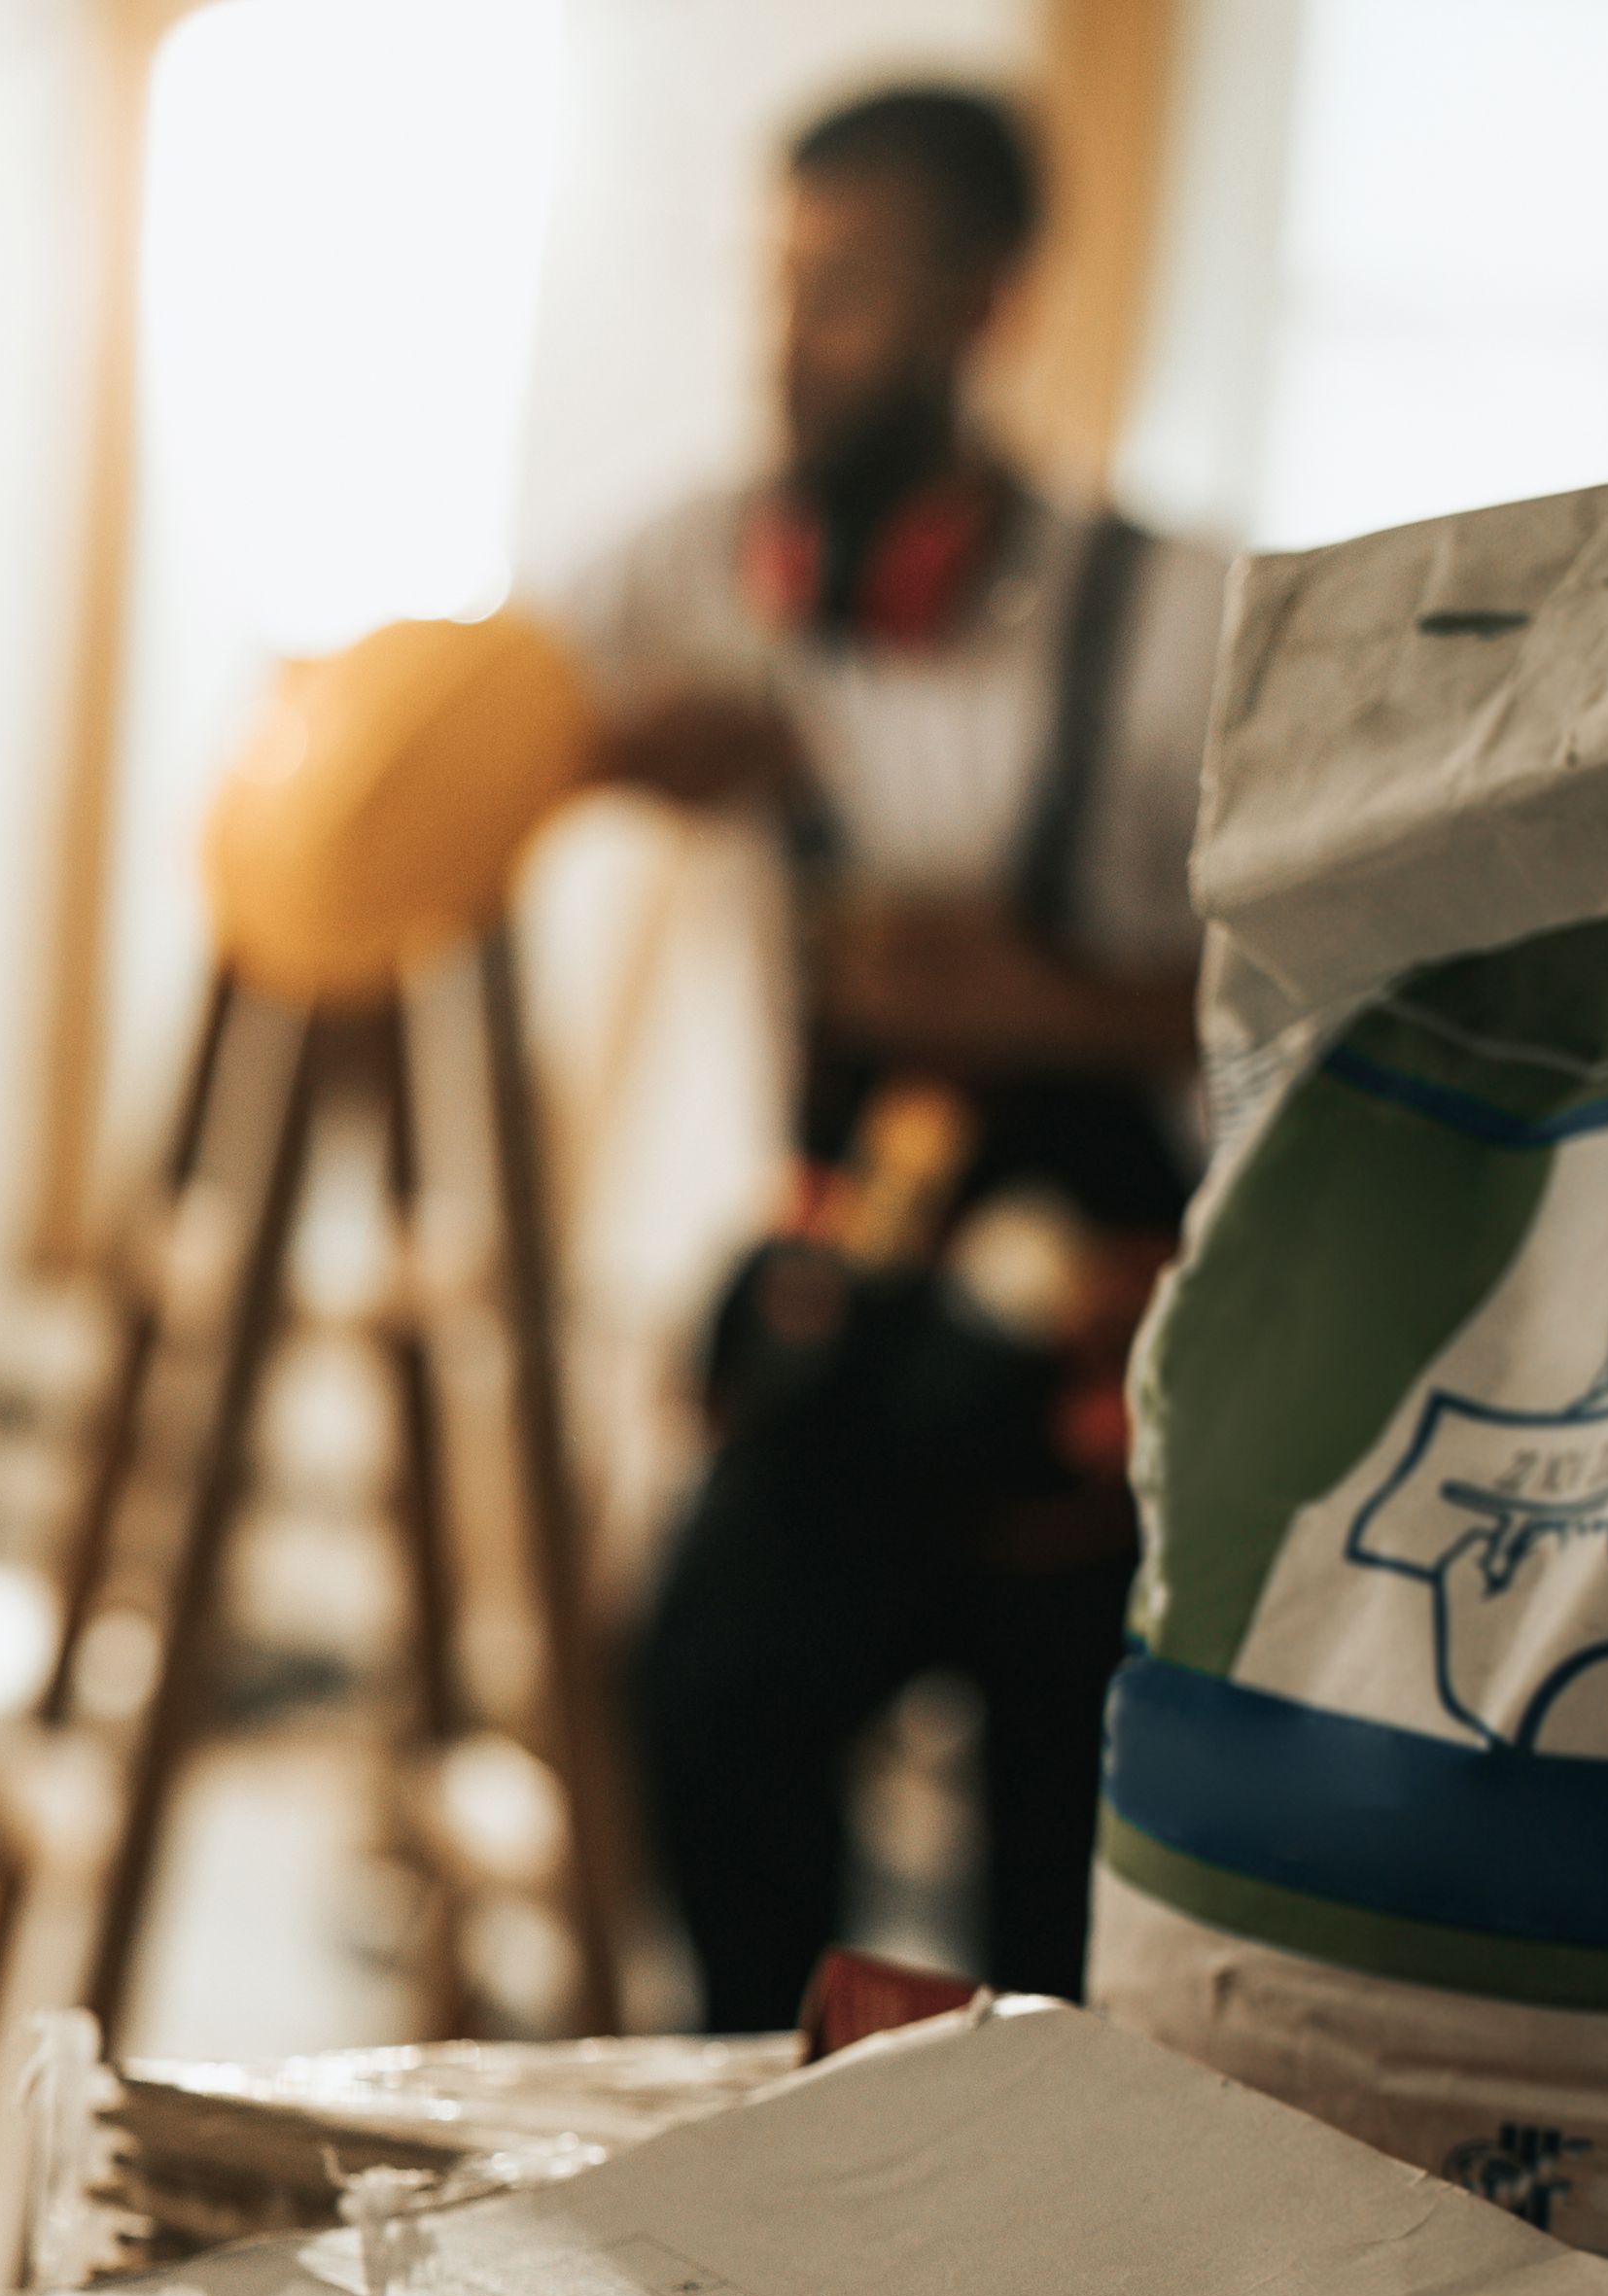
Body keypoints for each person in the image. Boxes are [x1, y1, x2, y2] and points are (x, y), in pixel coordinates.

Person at [545, 84, 1225, 2029]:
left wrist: (1055, 1002)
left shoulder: (1176, 620)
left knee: (1084, 1856)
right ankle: (796, 2112)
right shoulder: (709, 571)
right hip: (863, 1301)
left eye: (842, 296)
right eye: (778, 287)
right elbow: (461, 719)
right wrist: (611, 751)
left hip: (1107, 1352)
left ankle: (1042, 2162)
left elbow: (1337, 979)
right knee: (705, 1692)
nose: (789, 347)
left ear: (982, 306)